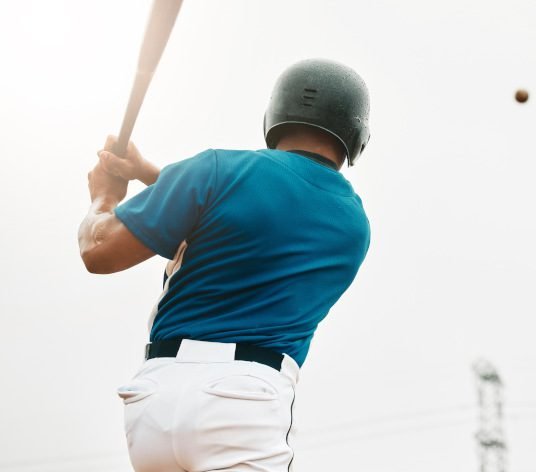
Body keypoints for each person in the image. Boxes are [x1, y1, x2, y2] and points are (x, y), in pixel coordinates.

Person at [78, 58, 371, 472]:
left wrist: (104, 197)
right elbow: (250, 212)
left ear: (275, 116)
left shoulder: (214, 169)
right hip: (244, 401)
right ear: (356, 137)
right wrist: (149, 174)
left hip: (153, 401)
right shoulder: (353, 224)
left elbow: (99, 249)